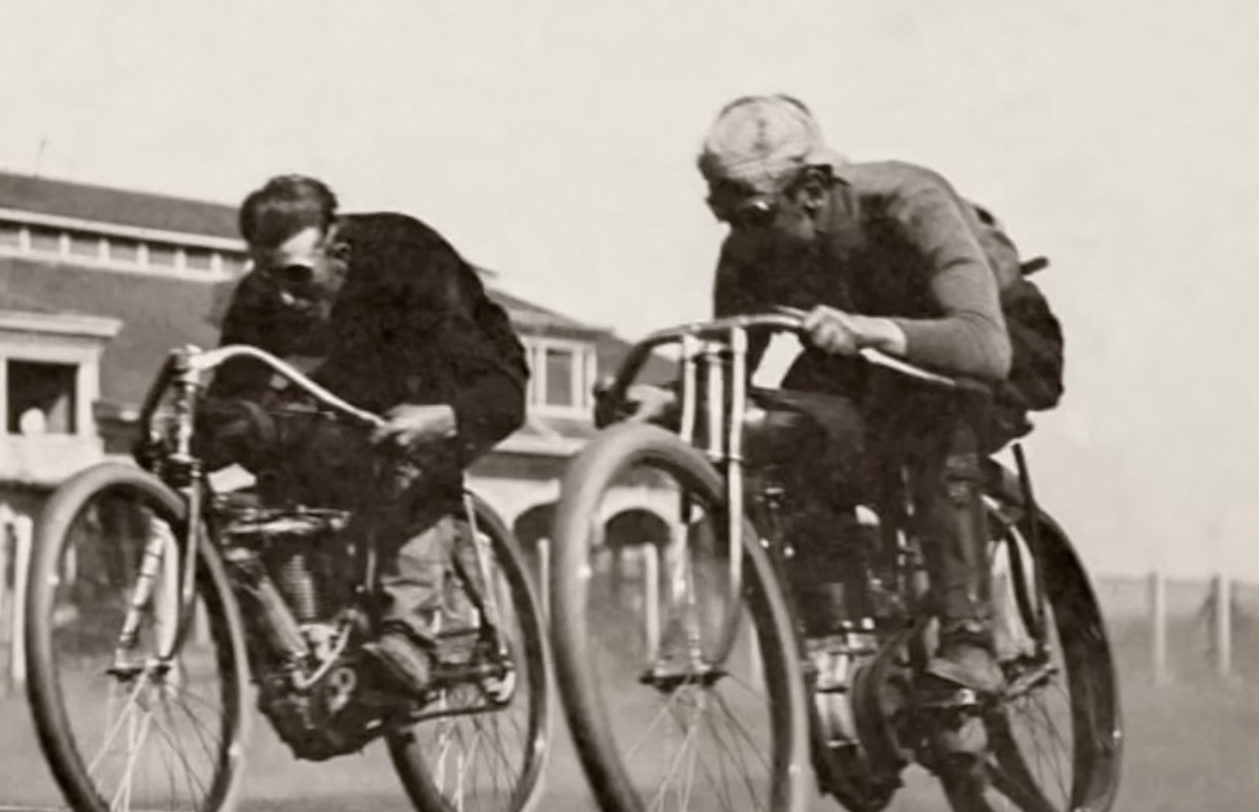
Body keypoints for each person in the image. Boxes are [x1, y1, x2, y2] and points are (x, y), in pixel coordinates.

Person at [626, 94, 1062, 704]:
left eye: (754, 215)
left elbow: (986, 348)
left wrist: (873, 330)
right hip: (863, 357)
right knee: (782, 431)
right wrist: (666, 400)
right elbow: (733, 355)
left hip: (994, 344)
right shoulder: (751, 241)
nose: (742, 237)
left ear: (811, 189)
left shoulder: (911, 202)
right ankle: (844, 629)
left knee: (934, 417)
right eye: (724, 216)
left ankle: (971, 639)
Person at [209, 173, 528, 700]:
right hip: (360, 389)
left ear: (339, 246)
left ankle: (408, 635)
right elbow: (232, 395)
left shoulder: (406, 255)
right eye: (271, 279)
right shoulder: (264, 294)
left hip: (463, 376)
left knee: (412, 451)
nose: (286, 299)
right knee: (269, 439)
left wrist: (444, 415)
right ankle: (311, 634)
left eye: (297, 275)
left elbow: (499, 388)